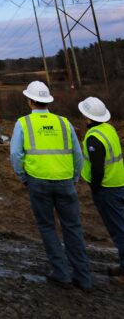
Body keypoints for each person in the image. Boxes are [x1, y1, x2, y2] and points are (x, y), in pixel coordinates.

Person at [10, 80, 92, 290]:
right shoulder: (64, 123)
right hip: (65, 181)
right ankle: (83, 278)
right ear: (48, 101)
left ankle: (61, 274)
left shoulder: (23, 123)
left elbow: (16, 155)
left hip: (38, 181)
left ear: (30, 101)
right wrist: (74, 177)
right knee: (73, 228)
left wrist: (23, 177)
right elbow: (78, 154)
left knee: (47, 227)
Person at [78, 96, 124, 281]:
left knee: (118, 229)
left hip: (107, 189)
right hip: (119, 181)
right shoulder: (109, 129)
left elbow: (97, 168)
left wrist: (95, 187)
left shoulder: (94, 137)